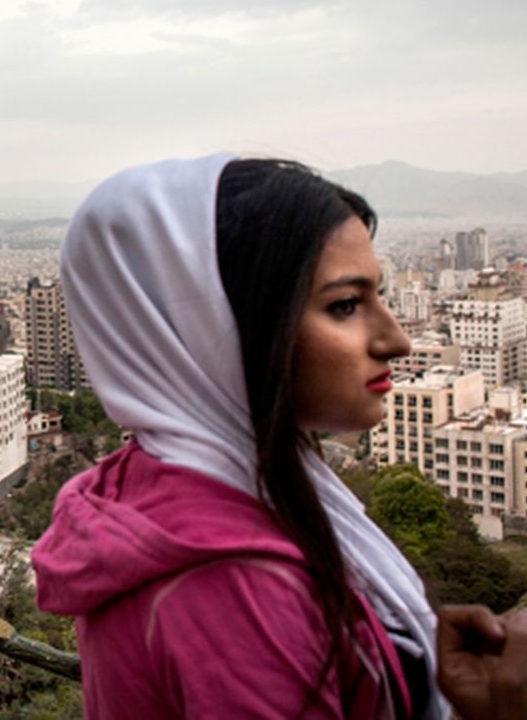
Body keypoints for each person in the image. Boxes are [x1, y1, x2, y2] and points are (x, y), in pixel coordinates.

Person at [31, 155, 440, 718]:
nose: (396, 339)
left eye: (378, 297)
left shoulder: (150, 489)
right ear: (221, 328)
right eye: (344, 305)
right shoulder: (234, 587)